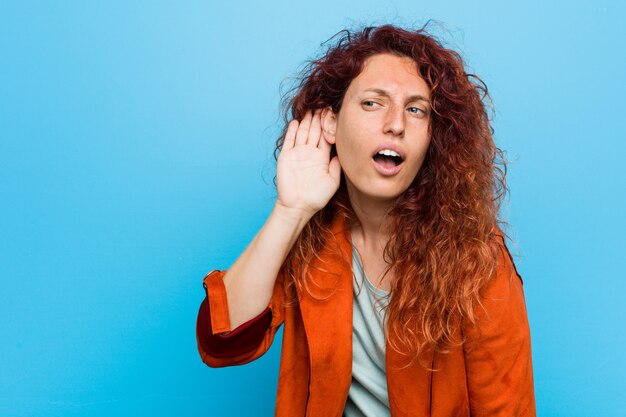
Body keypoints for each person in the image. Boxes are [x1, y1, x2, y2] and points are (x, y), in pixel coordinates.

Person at [196, 22, 536, 417]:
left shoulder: (477, 254)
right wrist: (291, 211)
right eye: (372, 103)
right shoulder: (311, 235)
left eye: (416, 109)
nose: (396, 123)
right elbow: (224, 342)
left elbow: (506, 408)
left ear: (433, 137)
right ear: (330, 123)